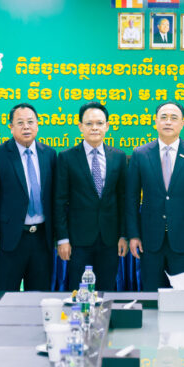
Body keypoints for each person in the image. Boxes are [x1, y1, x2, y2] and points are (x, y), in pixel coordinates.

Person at [126, 101, 184, 291]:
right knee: (151, 295)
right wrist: (134, 235)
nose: (168, 122)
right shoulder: (140, 154)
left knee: (183, 297)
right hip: (149, 240)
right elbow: (131, 200)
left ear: (182, 123)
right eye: (163, 117)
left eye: (174, 118)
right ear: (155, 122)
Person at [54, 102, 128, 291]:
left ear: (107, 126)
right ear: (80, 126)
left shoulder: (119, 157)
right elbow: (59, 201)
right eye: (89, 123)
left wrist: (123, 235)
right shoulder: (67, 157)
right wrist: (63, 239)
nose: (94, 128)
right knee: (79, 291)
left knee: (106, 291)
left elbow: (123, 199)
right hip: (78, 240)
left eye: (99, 123)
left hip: (110, 239)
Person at [0, 103, 56, 291]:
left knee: (39, 296)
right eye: (20, 123)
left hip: (42, 239)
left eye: (30, 122)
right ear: (11, 126)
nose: (26, 127)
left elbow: (54, 197)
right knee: (6, 296)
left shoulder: (49, 154)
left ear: (37, 125)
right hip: (10, 239)